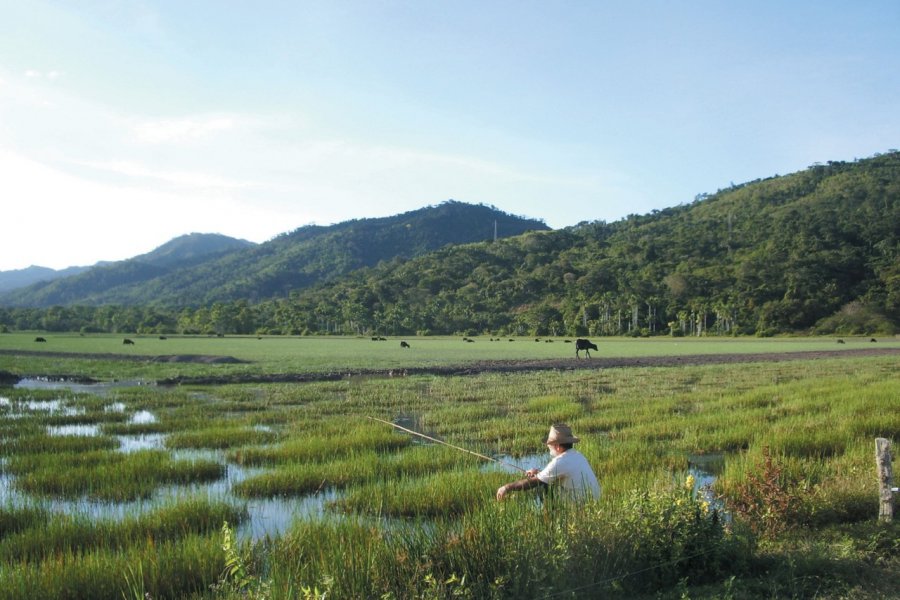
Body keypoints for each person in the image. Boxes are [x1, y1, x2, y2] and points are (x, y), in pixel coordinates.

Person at [496, 423, 601, 501]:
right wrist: (538, 474)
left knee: (542, 485)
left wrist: (507, 487)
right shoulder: (577, 455)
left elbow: (534, 483)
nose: (548, 446)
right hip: (593, 502)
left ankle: (550, 516)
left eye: (550, 444)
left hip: (581, 505)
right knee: (545, 481)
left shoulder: (560, 461)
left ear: (558, 446)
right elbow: (554, 473)